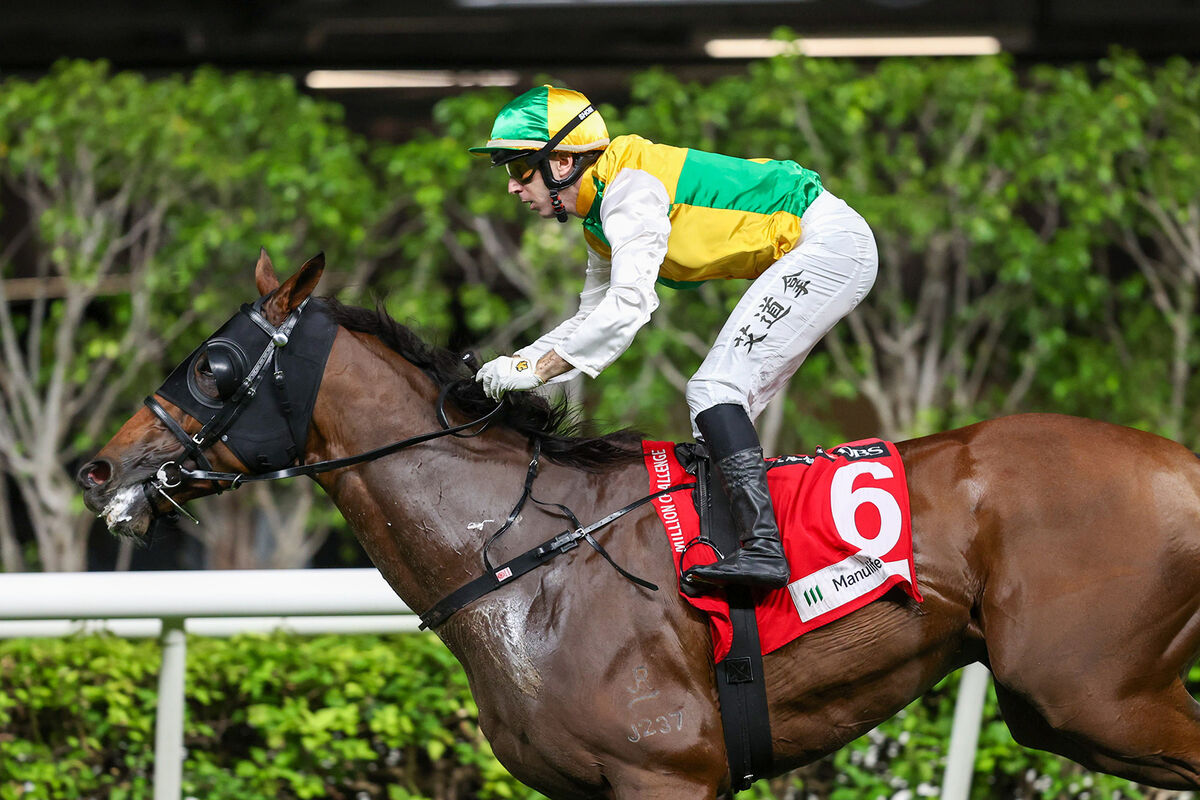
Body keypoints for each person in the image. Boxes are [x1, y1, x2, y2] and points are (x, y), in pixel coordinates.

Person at [472, 85, 878, 591]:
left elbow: (629, 306)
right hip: (821, 245)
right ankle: (744, 546)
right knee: (715, 405)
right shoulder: (601, 216)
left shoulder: (629, 189)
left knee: (714, 390)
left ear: (561, 164)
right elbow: (590, 316)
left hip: (832, 244)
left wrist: (536, 371)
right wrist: (516, 362)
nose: (512, 187)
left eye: (518, 168)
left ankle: (765, 552)